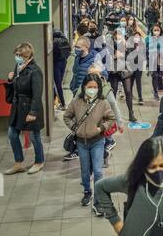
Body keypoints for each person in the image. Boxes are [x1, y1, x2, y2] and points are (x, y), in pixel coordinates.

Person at [64, 74, 115, 212]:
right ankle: (87, 191)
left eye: (95, 87)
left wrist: (101, 128)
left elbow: (111, 118)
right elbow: (67, 116)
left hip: (97, 141)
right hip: (81, 143)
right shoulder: (76, 102)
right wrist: (75, 127)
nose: (92, 89)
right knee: (85, 171)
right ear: (84, 87)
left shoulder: (103, 103)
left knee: (98, 171)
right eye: (89, 87)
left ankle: (98, 201)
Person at [4, 43, 45, 175]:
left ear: (28, 56)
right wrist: (10, 80)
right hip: (17, 108)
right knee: (12, 133)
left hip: (30, 107)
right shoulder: (18, 67)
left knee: (34, 136)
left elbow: (37, 94)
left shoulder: (35, 71)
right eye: (16, 55)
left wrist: (32, 112)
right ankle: (18, 163)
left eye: (20, 55)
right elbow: (16, 87)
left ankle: (39, 161)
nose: (17, 57)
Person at [107, 30, 137, 122]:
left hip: (125, 71)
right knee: (114, 91)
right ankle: (112, 114)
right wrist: (115, 56)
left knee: (128, 91)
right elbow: (107, 57)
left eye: (120, 36)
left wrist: (126, 49)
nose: (119, 37)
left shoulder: (127, 44)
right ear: (114, 35)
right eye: (117, 35)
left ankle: (131, 113)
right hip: (114, 72)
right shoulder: (110, 45)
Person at [146, 24, 163, 101]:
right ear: (152, 31)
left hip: (161, 60)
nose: (156, 32)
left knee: (160, 76)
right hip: (152, 60)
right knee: (154, 76)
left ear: (160, 30)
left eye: (158, 30)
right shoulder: (149, 38)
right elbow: (148, 49)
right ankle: (156, 93)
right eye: (154, 30)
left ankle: (158, 88)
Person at [53, 28, 71, 110]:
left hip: (56, 63)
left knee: (57, 85)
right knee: (59, 83)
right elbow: (69, 50)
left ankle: (63, 103)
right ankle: (59, 101)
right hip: (63, 61)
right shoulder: (64, 38)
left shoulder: (53, 40)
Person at [130, 32, 145, 105]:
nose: (137, 38)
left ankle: (140, 98)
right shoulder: (130, 45)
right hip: (132, 65)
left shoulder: (142, 45)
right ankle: (130, 96)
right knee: (131, 81)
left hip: (140, 65)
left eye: (138, 36)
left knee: (138, 81)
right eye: (135, 36)